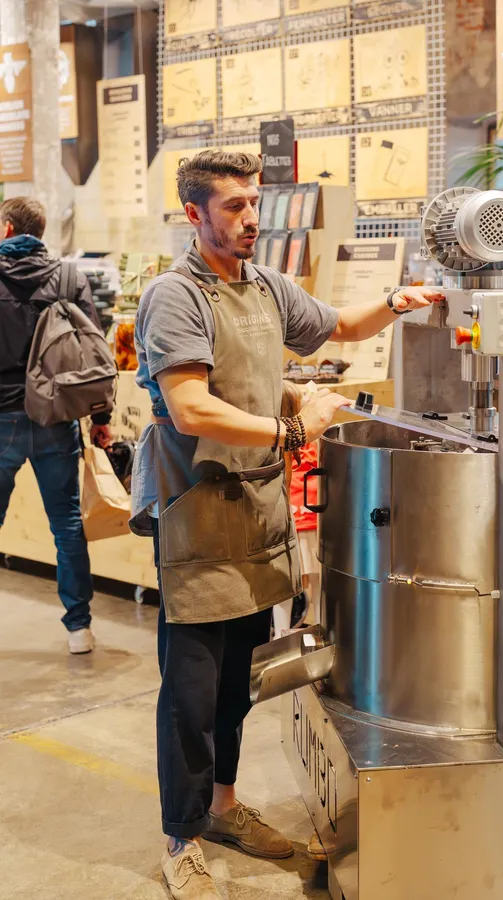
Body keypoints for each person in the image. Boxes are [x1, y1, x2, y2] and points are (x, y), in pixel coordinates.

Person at [131, 149, 443, 900]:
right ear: (194, 214)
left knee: (239, 682)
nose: (250, 218)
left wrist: (400, 301)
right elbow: (191, 408)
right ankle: (182, 838)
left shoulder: (266, 285)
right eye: (232, 206)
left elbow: (336, 326)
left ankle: (226, 809)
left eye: (253, 202)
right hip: (201, 518)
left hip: (258, 516)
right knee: (192, 694)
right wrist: (294, 431)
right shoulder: (176, 296)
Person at [0, 197, 112, 655]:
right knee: (66, 523)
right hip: (56, 415)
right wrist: (101, 419)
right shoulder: (69, 278)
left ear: (8, 227)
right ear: (41, 231)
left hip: (1, 417)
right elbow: (94, 351)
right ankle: (78, 628)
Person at [273, 380, 320, 638]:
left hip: (291, 522)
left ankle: (281, 635)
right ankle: (323, 632)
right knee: (317, 584)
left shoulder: (274, 442)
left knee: (285, 588)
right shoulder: (309, 441)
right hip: (308, 522)